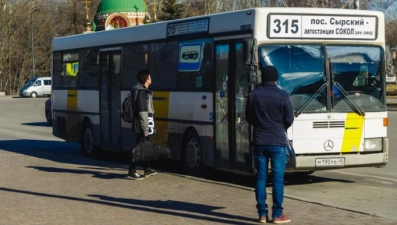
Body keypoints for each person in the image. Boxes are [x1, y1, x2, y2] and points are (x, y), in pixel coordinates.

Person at [245, 66, 294, 224]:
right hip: (277, 142)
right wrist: (280, 127)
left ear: (262, 77)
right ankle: (277, 215)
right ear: (276, 78)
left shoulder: (254, 95)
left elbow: (249, 117)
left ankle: (262, 214)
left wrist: (260, 124)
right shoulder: (283, 95)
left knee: (261, 178)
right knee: (278, 179)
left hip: (259, 141)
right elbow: (289, 119)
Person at [127, 70, 157, 180]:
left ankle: (147, 169)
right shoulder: (141, 93)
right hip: (141, 124)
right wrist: (145, 128)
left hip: (144, 123)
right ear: (146, 79)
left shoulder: (144, 91)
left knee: (144, 146)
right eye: (149, 77)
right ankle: (132, 170)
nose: (151, 79)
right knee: (139, 148)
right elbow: (143, 112)